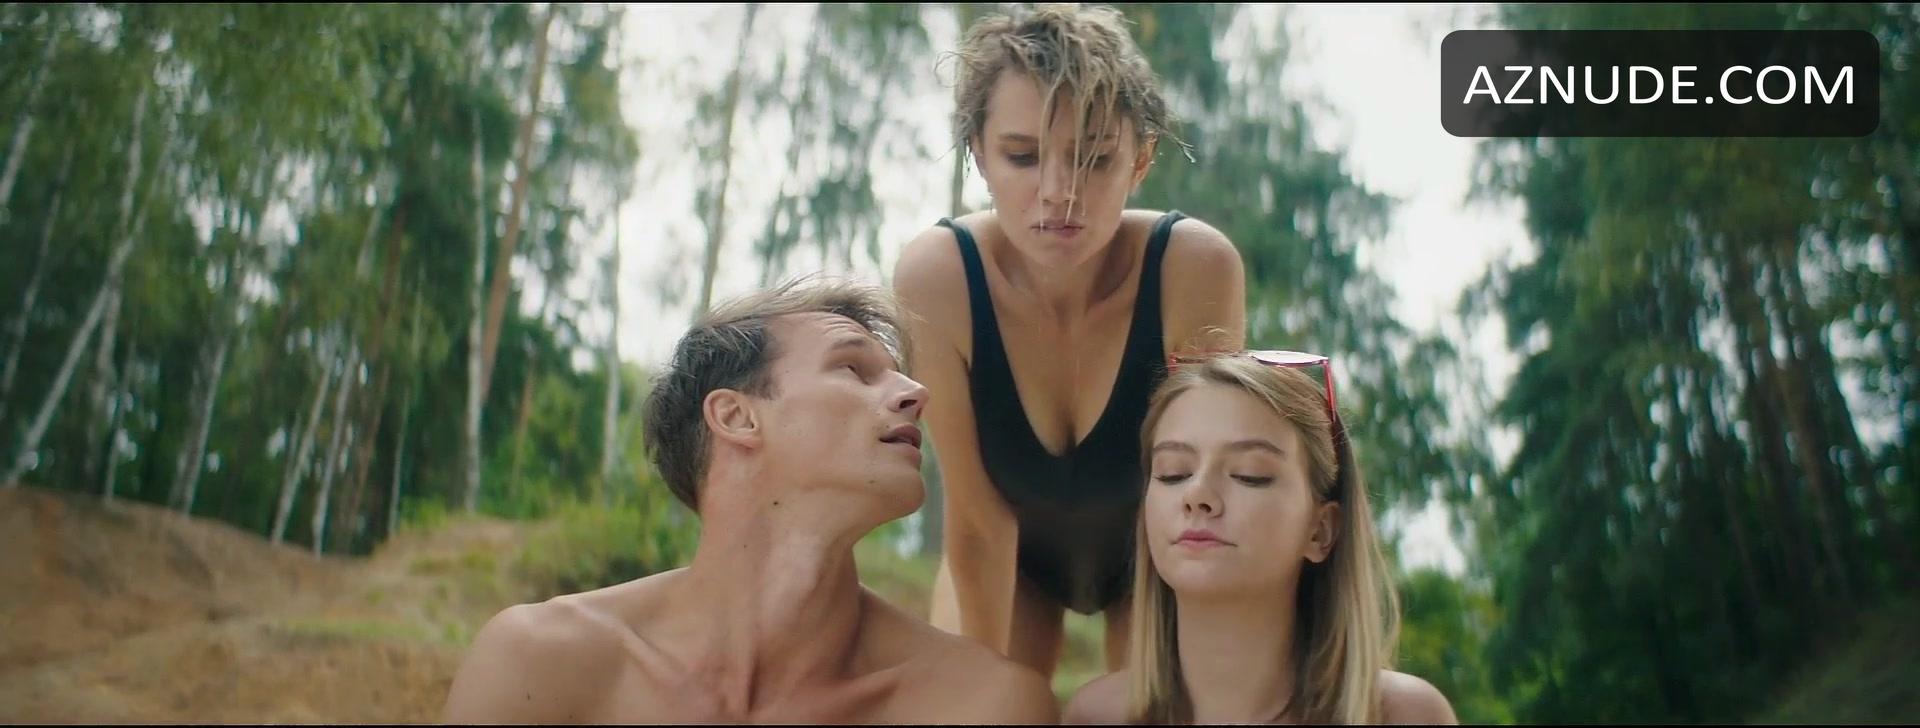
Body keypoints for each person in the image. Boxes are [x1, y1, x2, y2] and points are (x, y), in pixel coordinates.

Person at [440, 277, 1060, 725]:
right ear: (736, 417)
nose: (916, 393)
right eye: (853, 369)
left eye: (898, 372)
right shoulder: (539, 667)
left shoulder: (982, 706)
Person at [891, 3, 1248, 679]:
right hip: (1008, 562)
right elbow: (976, 520)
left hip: (1159, 558)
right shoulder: (938, 279)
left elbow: (1201, 501)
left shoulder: (1194, 270)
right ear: (979, 156)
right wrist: (982, 695)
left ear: (1141, 160)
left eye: (1095, 159)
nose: (1059, 192)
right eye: (1022, 157)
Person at [1061, 352, 1459, 724]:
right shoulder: (1095, 717)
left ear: (1321, 530)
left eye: (1249, 475)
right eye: (1173, 473)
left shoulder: (1404, 715)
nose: (1197, 495)